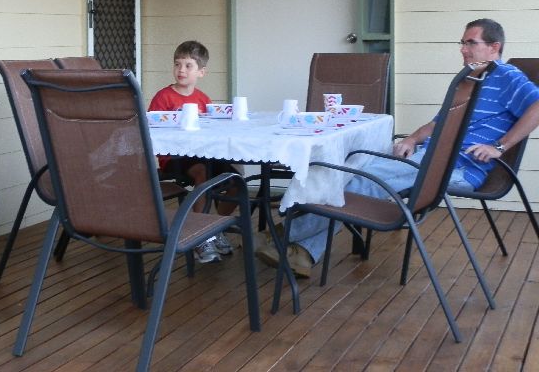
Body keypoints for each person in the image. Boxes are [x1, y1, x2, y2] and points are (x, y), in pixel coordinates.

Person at [256, 18, 539, 278]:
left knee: (365, 183)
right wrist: (412, 139)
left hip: (456, 166)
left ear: (494, 47)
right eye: (462, 43)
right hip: (429, 155)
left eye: (470, 43)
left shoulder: (504, 75)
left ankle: (284, 236)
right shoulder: (471, 80)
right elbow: (438, 123)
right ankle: (302, 252)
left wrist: (499, 146)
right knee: (353, 169)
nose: (463, 50)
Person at [149, 40, 238, 263]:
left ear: (201, 72)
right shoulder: (164, 97)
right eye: (177, 64)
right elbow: (152, 129)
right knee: (203, 174)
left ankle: (213, 227)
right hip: (174, 157)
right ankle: (199, 236)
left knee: (237, 179)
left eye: (188, 65)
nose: (181, 70)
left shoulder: (203, 100)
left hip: (202, 153)